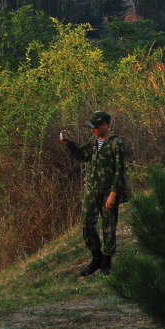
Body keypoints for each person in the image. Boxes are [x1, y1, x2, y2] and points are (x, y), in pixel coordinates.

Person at [59, 110, 129, 277]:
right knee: (86, 224)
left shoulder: (115, 143)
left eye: (95, 127)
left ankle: (106, 262)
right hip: (92, 190)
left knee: (108, 227)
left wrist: (113, 193)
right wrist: (69, 143)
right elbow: (82, 155)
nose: (92, 130)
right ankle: (96, 258)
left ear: (105, 125)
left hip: (108, 191)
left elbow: (120, 170)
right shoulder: (94, 142)